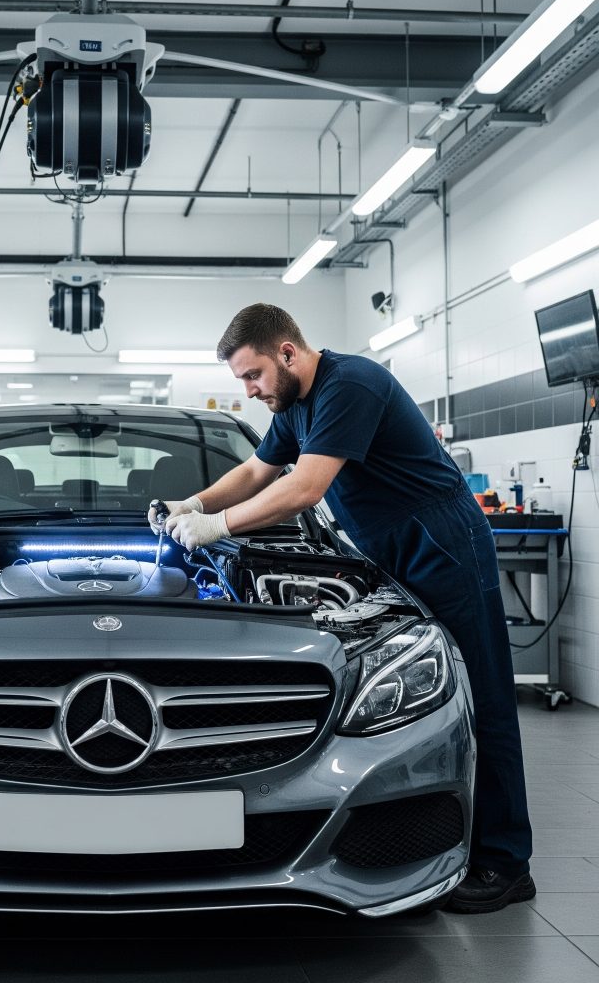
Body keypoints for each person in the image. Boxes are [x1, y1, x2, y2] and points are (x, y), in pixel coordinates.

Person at [149, 303, 534, 914]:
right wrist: (187, 502)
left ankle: (508, 861)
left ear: (287, 353)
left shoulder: (350, 384)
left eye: (252, 376)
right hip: (391, 545)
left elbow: (304, 489)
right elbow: (255, 470)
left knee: (481, 694)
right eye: (241, 382)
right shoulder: (292, 403)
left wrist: (215, 526)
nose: (249, 392)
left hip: (442, 544)